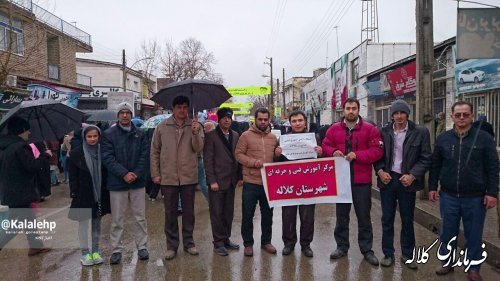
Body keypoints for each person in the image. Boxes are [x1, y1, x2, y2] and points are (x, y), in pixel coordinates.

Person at [429, 101, 498, 281]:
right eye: (458, 115)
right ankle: (447, 262)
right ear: (452, 116)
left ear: (472, 116)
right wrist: (431, 187)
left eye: (465, 115)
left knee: (473, 234)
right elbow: (435, 165)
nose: (461, 118)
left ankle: (473, 267)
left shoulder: (484, 139)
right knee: (447, 232)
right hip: (448, 195)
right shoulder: (443, 139)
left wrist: (492, 193)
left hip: (475, 198)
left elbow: (492, 167)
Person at [321, 98, 383, 266]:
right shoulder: (333, 129)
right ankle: (341, 246)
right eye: (348, 108)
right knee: (342, 217)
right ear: (343, 110)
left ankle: (367, 249)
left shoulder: (370, 129)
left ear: (358, 109)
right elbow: (325, 145)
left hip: (361, 181)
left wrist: (358, 155)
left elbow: (377, 151)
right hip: (341, 181)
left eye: (354, 108)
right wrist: (333, 151)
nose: (351, 111)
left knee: (364, 217)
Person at [374, 100, 432, 269]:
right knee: (387, 218)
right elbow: (377, 156)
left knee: (407, 219)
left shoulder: (420, 132)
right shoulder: (383, 132)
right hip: (388, 180)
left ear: (407, 114)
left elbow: (426, 157)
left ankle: (407, 254)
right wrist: (380, 171)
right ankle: (388, 253)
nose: (399, 116)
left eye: (402, 113)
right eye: (396, 113)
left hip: (407, 181)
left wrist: (413, 175)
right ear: (392, 115)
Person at [150, 95, 204, 260]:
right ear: (173, 108)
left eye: (185, 107)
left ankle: (189, 243)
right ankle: (172, 245)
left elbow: (199, 148)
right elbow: (154, 151)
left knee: (189, 212)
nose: (182, 110)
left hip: (188, 176)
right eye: (179, 107)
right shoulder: (162, 127)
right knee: (170, 212)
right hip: (168, 176)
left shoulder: (195, 126)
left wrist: (195, 133)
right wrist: (155, 173)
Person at [101, 102, 149, 265]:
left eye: (127, 112)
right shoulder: (108, 134)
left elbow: (145, 155)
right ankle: (116, 249)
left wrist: (135, 173)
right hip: (117, 183)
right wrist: (123, 173)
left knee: (140, 217)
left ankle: (142, 246)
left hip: (137, 182)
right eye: (121, 112)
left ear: (131, 114)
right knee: (117, 219)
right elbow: (107, 157)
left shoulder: (141, 133)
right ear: (118, 115)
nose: (124, 115)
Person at [0, 117, 51, 256]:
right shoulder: (20, 147)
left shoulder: (5, 146)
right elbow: (32, 166)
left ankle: (35, 246)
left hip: (11, 190)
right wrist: (45, 156)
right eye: (27, 130)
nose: (29, 133)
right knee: (15, 225)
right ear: (21, 130)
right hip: (20, 191)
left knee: (29, 218)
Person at [274, 110, 323, 257]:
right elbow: (276, 163)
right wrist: (276, 154)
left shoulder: (315, 137)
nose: (297, 123)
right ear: (290, 123)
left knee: (307, 216)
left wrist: (321, 152)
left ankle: (306, 245)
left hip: (309, 184)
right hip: (289, 184)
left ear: (305, 122)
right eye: (294, 121)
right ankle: (289, 243)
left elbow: (323, 161)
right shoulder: (283, 139)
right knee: (288, 215)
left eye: (300, 120)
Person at [235, 108, 278, 257]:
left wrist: (278, 155)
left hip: (268, 183)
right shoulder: (245, 136)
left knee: (268, 215)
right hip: (251, 181)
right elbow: (238, 155)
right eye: (260, 119)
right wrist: (253, 162)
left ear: (269, 120)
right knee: (247, 215)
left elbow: (277, 159)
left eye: (265, 119)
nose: (263, 122)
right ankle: (248, 244)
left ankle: (266, 242)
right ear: (255, 119)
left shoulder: (273, 138)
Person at [67, 125, 111, 266]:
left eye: (95, 136)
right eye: (89, 136)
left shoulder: (103, 152)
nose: (92, 139)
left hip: (99, 194)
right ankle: (85, 253)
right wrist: (74, 192)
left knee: (97, 224)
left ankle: (96, 251)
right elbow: (72, 177)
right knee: (83, 225)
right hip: (82, 194)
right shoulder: (76, 153)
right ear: (84, 137)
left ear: (99, 136)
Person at [203, 108, 242, 256]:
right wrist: (211, 180)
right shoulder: (211, 136)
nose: (227, 120)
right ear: (218, 119)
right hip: (217, 182)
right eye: (224, 118)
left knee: (228, 213)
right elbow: (208, 160)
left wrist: (239, 177)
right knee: (216, 213)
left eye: (229, 117)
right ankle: (218, 242)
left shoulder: (235, 135)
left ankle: (226, 239)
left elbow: (237, 157)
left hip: (231, 181)